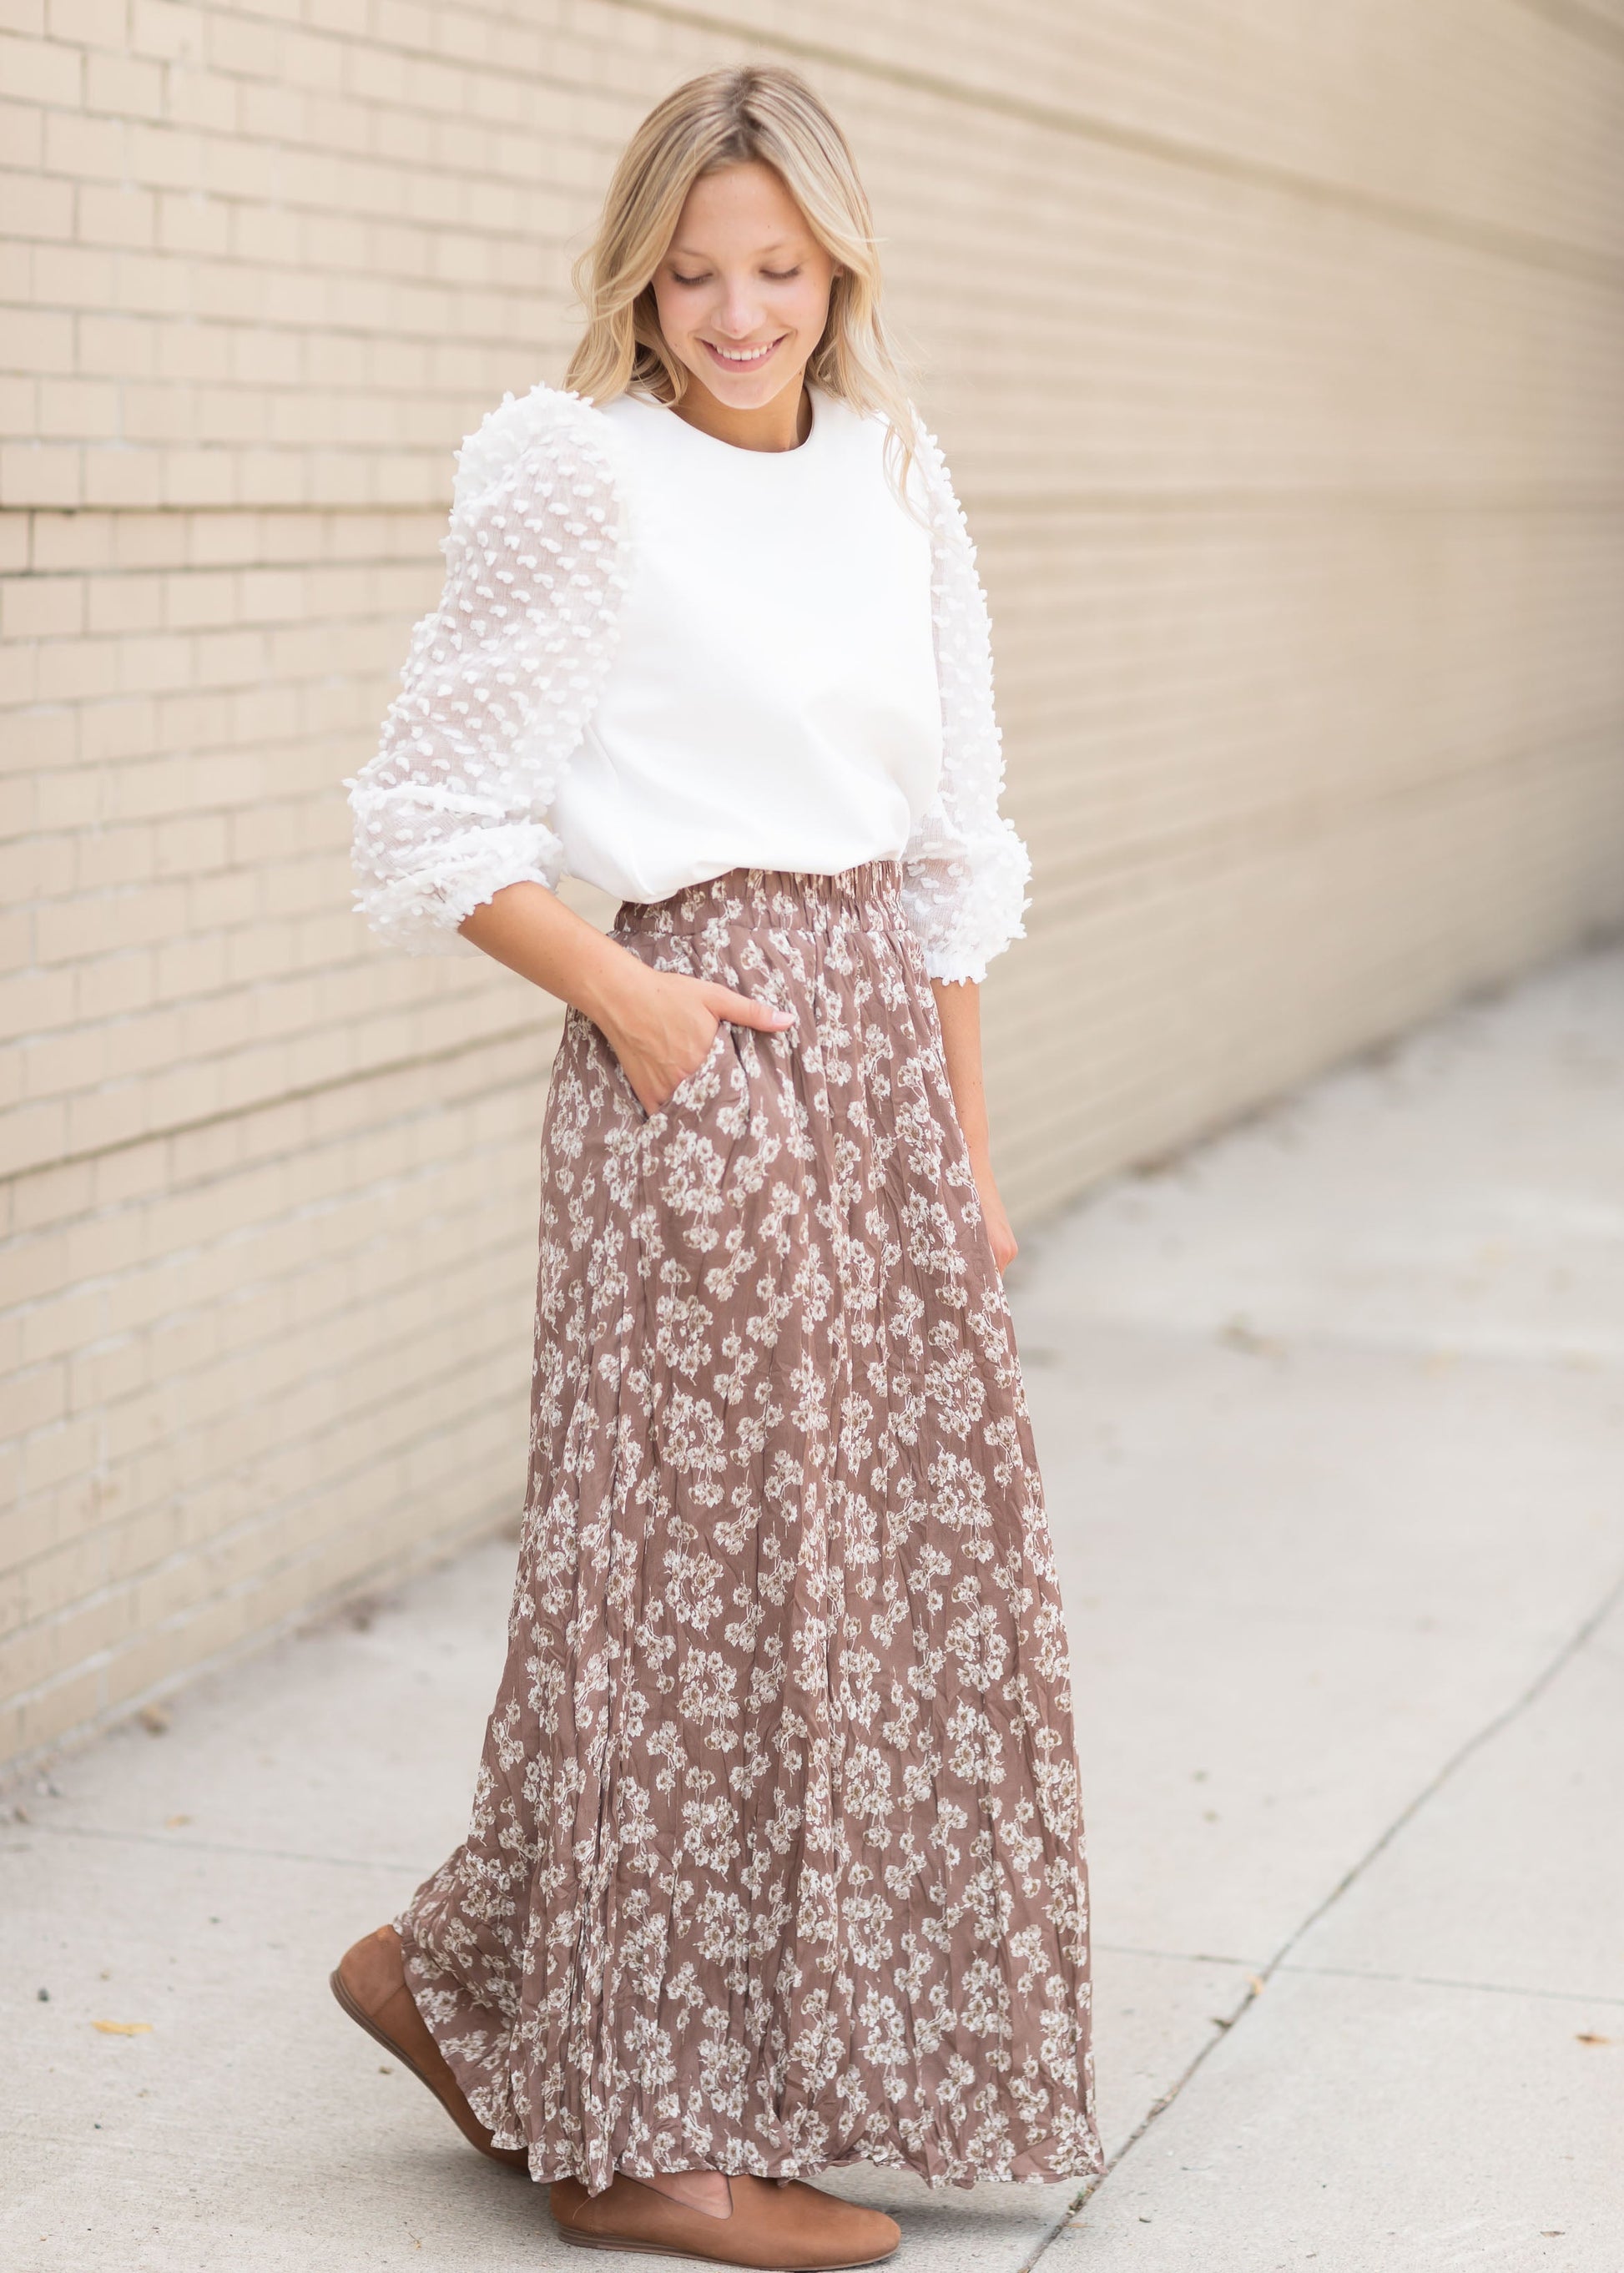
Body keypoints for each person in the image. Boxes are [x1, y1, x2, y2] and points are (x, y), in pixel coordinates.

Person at [332, 62, 1103, 2270]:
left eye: (776, 269)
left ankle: (462, 1962)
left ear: (836, 264)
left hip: (878, 1059)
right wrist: (636, 998)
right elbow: (427, 821)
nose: (736, 313)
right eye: (693, 274)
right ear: (638, 276)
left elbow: (953, 834)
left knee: (873, 1586)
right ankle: (632, 2138)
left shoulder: (892, 475)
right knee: (682, 1597)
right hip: (696, 1048)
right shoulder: (580, 477)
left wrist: (962, 1153)